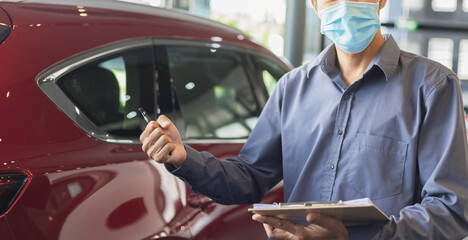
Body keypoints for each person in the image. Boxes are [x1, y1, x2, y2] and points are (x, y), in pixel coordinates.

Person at [140, 0, 468, 239]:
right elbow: (250, 177)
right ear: (314, 5)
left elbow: (450, 211)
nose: (343, 4)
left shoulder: (432, 87)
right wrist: (183, 158)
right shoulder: (291, 88)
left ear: (381, 0)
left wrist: (355, 238)